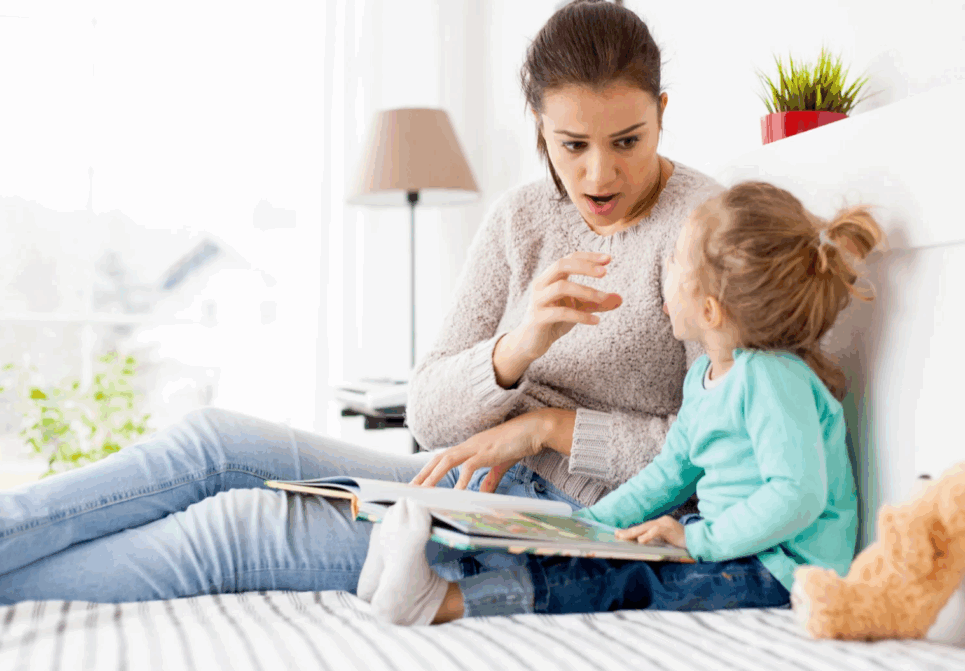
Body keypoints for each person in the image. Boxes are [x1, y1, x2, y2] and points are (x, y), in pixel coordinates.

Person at [0, 0, 722, 604]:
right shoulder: (522, 217)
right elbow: (428, 412)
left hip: (576, 521)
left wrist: (550, 427)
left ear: (662, 112)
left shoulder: (707, 228)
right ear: (538, 126)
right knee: (211, 440)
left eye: (628, 139)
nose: (600, 173)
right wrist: (515, 349)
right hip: (473, 482)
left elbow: (716, 453)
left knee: (230, 533)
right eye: (572, 145)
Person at [357, 181, 886, 626]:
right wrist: (589, 527)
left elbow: (798, 495)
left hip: (783, 570)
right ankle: (408, 581)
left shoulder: (772, 379)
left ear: (708, 308)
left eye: (675, 263)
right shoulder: (706, 375)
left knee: (623, 578)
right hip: (737, 549)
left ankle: (443, 603)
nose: (663, 275)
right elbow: (669, 472)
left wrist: (698, 539)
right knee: (596, 556)